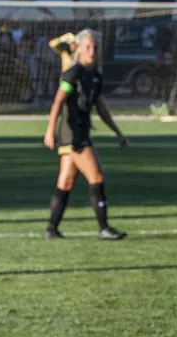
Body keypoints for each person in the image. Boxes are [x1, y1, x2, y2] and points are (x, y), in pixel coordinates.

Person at [43, 30, 126, 240]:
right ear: (77, 48)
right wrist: (49, 131)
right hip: (72, 133)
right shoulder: (73, 74)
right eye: (87, 47)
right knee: (96, 176)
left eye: (95, 47)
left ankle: (52, 229)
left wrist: (118, 132)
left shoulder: (95, 77)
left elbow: (101, 108)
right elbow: (57, 102)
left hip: (81, 131)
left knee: (66, 181)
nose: (92, 51)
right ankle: (104, 228)